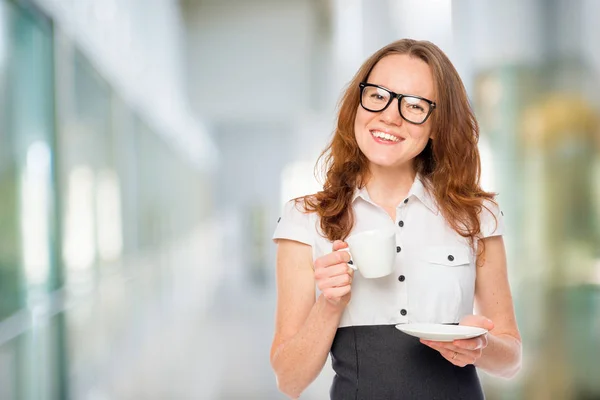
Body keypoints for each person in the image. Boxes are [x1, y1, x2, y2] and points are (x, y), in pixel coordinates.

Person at [270, 39, 522, 400]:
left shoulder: (476, 216)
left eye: (415, 106)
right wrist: (330, 304)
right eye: (377, 96)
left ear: (437, 125)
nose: (390, 115)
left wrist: (480, 348)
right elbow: (289, 381)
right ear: (358, 104)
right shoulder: (305, 219)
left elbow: (511, 358)